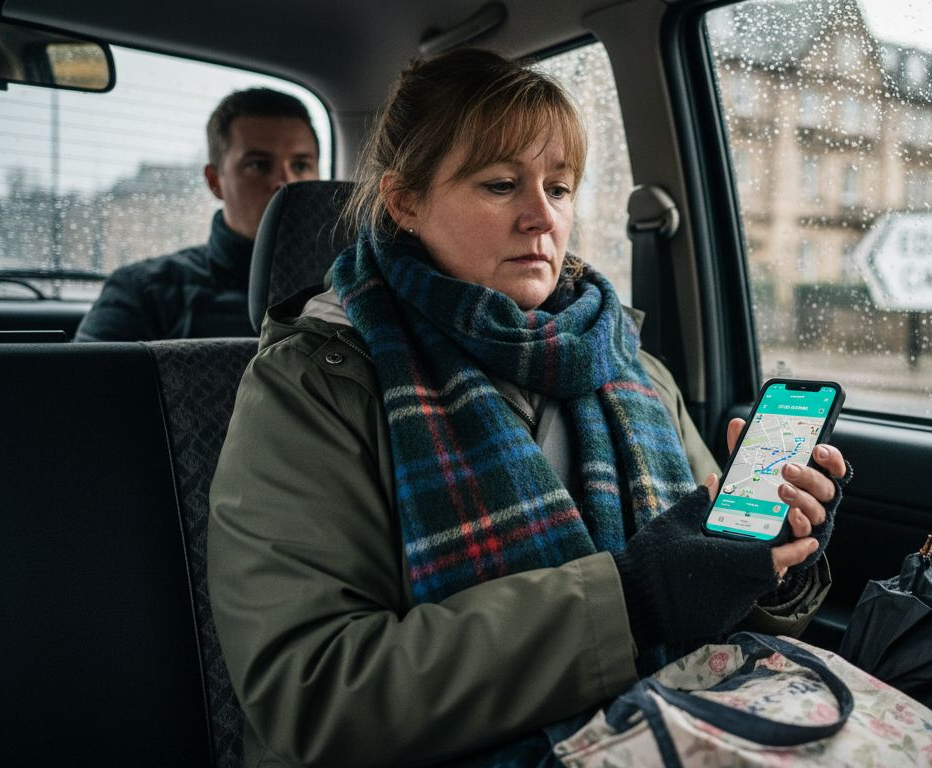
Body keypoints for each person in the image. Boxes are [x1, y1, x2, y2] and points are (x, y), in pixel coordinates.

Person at [208, 49, 850, 767]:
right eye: (500, 184)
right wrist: (632, 601)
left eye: (560, 187)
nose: (541, 217)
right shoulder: (314, 383)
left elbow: (704, 594)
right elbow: (312, 695)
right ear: (405, 201)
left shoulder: (635, 369)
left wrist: (771, 561)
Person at [74, 88, 319, 341]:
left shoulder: (341, 286)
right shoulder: (145, 292)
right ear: (215, 182)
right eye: (258, 165)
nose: (285, 182)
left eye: (301, 165)